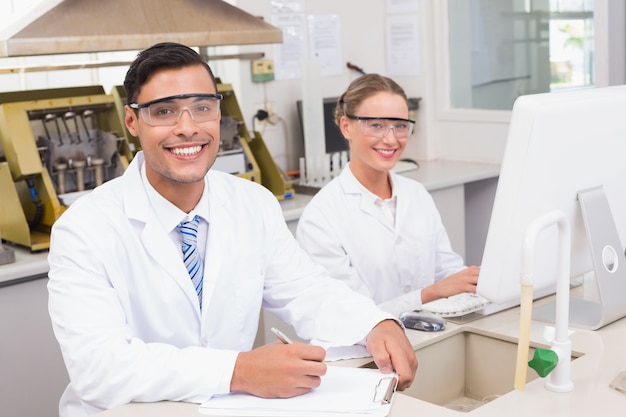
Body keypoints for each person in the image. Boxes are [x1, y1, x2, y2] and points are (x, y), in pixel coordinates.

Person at [47, 43, 417, 417]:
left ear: (219, 113)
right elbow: (98, 369)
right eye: (164, 111)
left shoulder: (252, 203)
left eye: (202, 108)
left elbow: (306, 290)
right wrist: (239, 371)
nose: (187, 127)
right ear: (131, 121)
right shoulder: (84, 229)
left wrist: (373, 323)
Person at [296, 74, 480, 318]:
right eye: (376, 125)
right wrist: (430, 294)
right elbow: (350, 314)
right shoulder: (321, 217)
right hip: (361, 353)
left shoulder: (417, 195)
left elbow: (447, 271)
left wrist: (475, 282)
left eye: (400, 126)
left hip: (428, 336)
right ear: (346, 127)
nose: (391, 139)